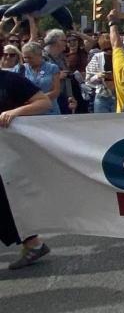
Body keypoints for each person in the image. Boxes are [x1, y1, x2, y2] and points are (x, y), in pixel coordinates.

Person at [0, 69, 57, 269]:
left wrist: (14, 113)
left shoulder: (10, 80)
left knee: (6, 201)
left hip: (8, 152)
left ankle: (33, 244)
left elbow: (43, 102)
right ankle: (33, 244)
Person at [19, 42, 60, 115]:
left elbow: (56, 91)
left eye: (30, 57)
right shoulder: (21, 69)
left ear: (39, 55)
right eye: (25, 57)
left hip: (50, 110)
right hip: (28, 111)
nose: (27, 60)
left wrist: (38, 100)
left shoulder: (52, 68)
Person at [84, 34, 116, 113]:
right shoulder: (97, 57)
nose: (109, 51)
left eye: (110, 48)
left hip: (119, 95)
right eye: (105, 49)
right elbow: (88, 80)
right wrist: (97, 76)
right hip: (102, 96)